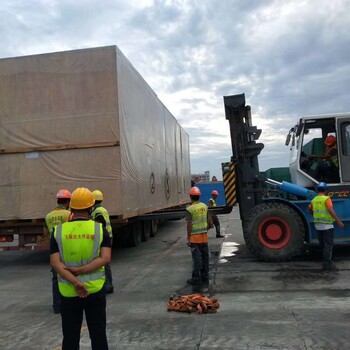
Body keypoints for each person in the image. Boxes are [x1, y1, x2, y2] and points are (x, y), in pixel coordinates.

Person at [50, 187, 111, 350]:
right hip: (95, 290)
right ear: (91, 208)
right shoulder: (99, 229)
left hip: (69, 291)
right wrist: (82, 270)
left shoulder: (59, 231)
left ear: (71, 207)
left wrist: (75, 282)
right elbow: (105, 258)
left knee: (70, 337)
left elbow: (55, 263)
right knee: (98, 335)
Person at [44, 189, 71, 314]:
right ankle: (69, 303)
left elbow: (45, 233)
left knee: (56, 278)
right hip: (66, 248)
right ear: (67, 201)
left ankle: (57, 305)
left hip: (54, 249)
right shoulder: (68, 214)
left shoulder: (48, 216)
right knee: (69, 275)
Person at [308, 182, 344, 270]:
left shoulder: (314, 199)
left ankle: (324, 260)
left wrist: (314, 213)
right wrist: (338, 221)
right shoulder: (326, 199)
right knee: (328, 245)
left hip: (318, 225)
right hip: (327, 226)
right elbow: (330, 210)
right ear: (325, 190)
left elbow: (309, 209)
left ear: (317, 190)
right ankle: (327, 264)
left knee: (323, 245)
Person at [186, 186, 210, 286]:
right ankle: (205, 275)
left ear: (191, 197)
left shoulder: (189, 209)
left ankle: (196, 278)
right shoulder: (205, 206)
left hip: (194, 238)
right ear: (199, 196)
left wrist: (188, 237)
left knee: (196, 258)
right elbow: (209, 222)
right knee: (205, 257)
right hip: (204, 237)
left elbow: (189, 224)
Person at [91, 189, 114, 294]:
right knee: (105, 263)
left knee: (103, 264)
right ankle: (109, 285)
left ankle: (107, 286)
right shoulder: (103, 209)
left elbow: (101, 225)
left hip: (103, 239)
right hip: (108, 237)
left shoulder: (97, 212)